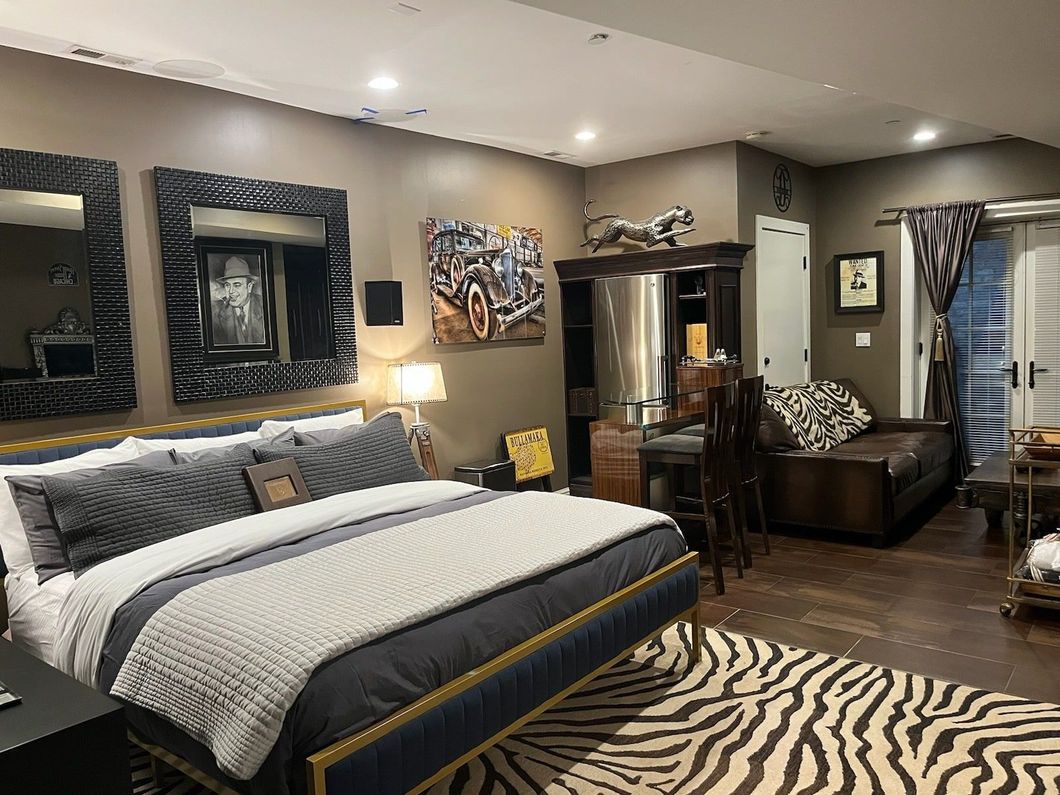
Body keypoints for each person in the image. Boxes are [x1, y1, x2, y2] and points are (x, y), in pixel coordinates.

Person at [211, 256, 265, 345]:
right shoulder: (216, 313)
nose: (231, 291)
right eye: (227, 285)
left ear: (249, 287)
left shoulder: (265, 305)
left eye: (237, 285)